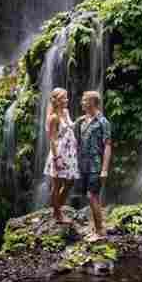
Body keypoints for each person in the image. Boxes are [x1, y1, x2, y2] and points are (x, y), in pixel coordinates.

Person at [77, 90, 112, 241]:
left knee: (93, 196)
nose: (82, 103)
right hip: (84, 164)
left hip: (95, 164)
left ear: (92, 102)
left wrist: (104, 169)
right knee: (90, 196)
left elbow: (108, 146)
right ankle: (95, 228)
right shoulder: (83, 121)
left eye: (84, 100)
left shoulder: (103, 122)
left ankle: (100, 231)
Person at [44, 87, 79, 224]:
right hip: (59, 152)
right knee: (57, 184)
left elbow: (70, 126)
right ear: (57, 101)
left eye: (67, 97)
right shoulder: (53, 118)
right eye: (64, 98)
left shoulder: (65, 112)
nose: (67, 100)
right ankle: (58, 214)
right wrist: (56, 158)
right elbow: (52, 139)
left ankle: (57, 208)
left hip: (70, 152)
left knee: (70, 182)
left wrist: (81, 120)